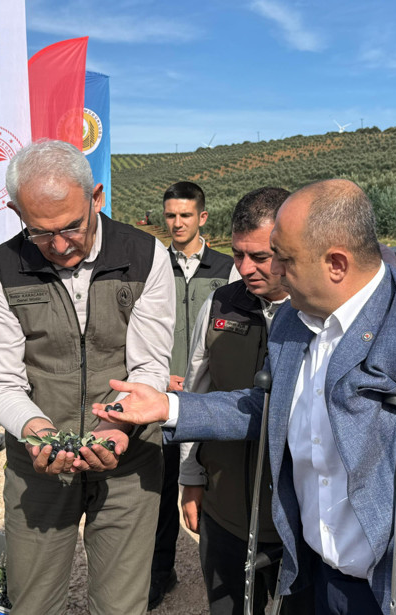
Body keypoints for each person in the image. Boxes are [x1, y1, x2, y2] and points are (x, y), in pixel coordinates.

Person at [94, 179, 396, 615]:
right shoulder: (293, 318)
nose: (273, 272)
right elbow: (268, 407)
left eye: (283, 259)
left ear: (336, 264)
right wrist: (169, 407)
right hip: (315, 573)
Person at [0, 139, 174, 615]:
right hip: (38, 464)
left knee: (122, 604)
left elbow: (149, 366)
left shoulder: (146, 256)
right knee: (33, 601)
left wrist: (118, 426)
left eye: (72, 227)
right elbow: (1, 383)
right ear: (15, 211)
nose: (60, 245)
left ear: (96, 197)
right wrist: (37, 431)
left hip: (129, 456)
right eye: (41, 233)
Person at [179, 186, 312, 614]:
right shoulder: (220, 303)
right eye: (238, 255)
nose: (246, 269)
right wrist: (191, 478)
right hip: (227, 512)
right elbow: (196, 395)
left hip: (302, 522)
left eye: (261, 256)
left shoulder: (322, 315)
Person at [150, 181, 233, 608]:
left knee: (212, 486)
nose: (177, 223)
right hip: (161, 395)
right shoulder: (151, 266)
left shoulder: (229, 267)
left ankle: (222, 577)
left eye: (185, 215)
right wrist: (160, 375)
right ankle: (160, 572)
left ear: (202, 217)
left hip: (207, 399)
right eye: (170, 216)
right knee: (160, 489)